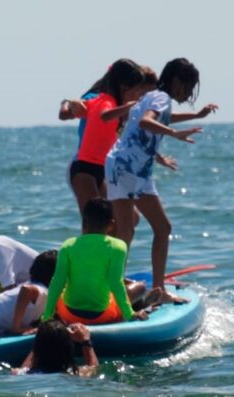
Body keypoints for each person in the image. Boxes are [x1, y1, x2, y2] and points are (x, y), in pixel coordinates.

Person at [105, 58, 218, 303]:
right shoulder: (160, 99)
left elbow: (156, 120)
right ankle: (136, 290)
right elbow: (146, 121)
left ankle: (139, 290)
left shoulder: (154, 96)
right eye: (188, 86)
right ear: (176, 81)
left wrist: (195, 115)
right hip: (128, 169)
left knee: (143, 229)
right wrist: (173, 135)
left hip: (128, 168)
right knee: (144, 229)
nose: (189, 93)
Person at [42, 198, 150, 325]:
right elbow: (116, 283)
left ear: (83, 223)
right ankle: (146, 302)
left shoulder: (68, 245)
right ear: (111, 225)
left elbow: (57, 282)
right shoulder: (118, 247)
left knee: (64, 290)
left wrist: (46, 317)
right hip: (102, 316)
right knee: (141, 287)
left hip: (69, 315)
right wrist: (129, 314)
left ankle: (52, 315)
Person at [59, 59, 146, 217]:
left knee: (130, 218)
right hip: (83, 165)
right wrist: (68, 102)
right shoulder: (100, 99)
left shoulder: (119, 105)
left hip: (103, 168)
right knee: (95, 220)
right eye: (136, 90)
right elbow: (65, 113)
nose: (138, 95)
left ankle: (115, 243)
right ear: (123, 86)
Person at [13, 320, 98, 377]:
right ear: (69, 349)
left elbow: (22, 369)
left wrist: (43, 335)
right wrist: (85, 341)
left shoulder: (19, 373)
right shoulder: (74, 374)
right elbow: (94, 368)